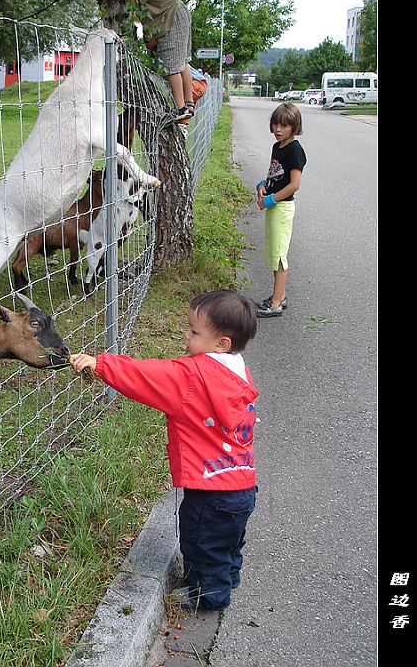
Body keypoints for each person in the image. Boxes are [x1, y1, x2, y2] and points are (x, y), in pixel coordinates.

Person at [70, 289, 259, 611]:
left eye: (194, 332)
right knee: (228, 541)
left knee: (202, 541)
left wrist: (100, 364)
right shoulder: (238, 373)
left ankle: (210, 595)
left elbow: (145, 376)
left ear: (221, 343)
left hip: (208, 488)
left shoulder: (192, 376)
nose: (186, 336)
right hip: (242, 484)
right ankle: (227, 577)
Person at [122, 0, 194, 123]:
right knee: (182, 62)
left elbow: (134, 0)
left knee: (172, 65)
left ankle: (180, 108)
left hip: (171, 19)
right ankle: (188, 102)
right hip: (178, 14)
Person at [255, 102, 307, 318]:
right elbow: (275, 175)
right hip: (274, 204)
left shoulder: (295, 150)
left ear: (294, 128)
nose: (278, 129)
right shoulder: (278, 147)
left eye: (284, 126)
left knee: (279, 257)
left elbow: (295, 184)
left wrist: (270, 200)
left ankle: (276, 303)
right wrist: (262, 185)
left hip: (282, 207)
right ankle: (280, 295)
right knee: (273, 252)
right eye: (275, 124)